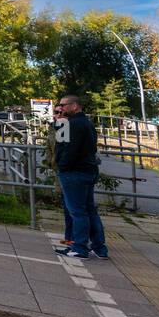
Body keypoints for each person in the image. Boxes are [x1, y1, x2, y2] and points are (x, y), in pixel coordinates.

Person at [53, 95, 106, 259]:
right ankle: (99, 247)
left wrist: (62, 166)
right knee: (89, 210)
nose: (60, 108)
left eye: (63, 105)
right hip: (87, 171)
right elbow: (62, 141)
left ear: (75, 106)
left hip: (74, 173)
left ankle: (80, 247)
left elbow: (65, 148)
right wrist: (59, 122)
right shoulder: (86, 123)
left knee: (77, 212)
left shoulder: (74, 124)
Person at [48, 102, 74, 248]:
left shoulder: (65, 126)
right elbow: (50, 146)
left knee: (72, 207)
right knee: (67, 205)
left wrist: (59, 164)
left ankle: (74, 239)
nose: (58, 115)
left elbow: (63, 150)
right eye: (56, 112)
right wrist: (50, 161)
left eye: (61, 112)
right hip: (59, 170)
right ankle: (70, 237)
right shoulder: (54, 127)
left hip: (66, 171)